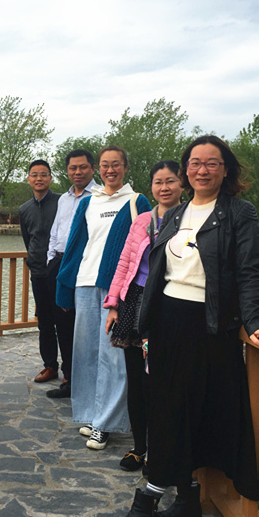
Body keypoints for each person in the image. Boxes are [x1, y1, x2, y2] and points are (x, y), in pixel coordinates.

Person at [107, 135, 259, 517]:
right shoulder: (177, 213)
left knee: (178, 410)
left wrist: (256, 319)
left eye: (211, 162)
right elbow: (157, 269)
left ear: (226, 169)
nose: (201, 170)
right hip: (166, 321)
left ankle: (147, 503)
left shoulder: (239, 212)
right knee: (166, 406)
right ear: (186, 169)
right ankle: (188, 499)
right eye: (194, 162)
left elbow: (249, 270)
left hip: (205, 324)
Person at [56, 146, 151, 450]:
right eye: (105, 165)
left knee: (113, 357)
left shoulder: (136, 201)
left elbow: (144, 248)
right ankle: (91, 414)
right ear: (99, 168)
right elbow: (75, 245)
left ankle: (106, 423)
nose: (111, 170)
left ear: (125, 167)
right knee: (85, 353)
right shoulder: (89, 202)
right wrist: (64, 286)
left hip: (118, 288)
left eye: (116, 164)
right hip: (85, 282)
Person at [103, 160, 182, 472]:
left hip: (168, 302)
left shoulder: (190, 220)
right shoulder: (142, 221)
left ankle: (161, 449)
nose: (164, 187)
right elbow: (125, 263)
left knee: (161, 381)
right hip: (134, 301)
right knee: (136, 379)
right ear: (151, 186)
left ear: (182, 184)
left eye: (170, 181)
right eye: (158, 182)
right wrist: (113, 304)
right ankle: (139, 447)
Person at [45, 149, 97, 398]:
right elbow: (56, 231)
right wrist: (50, 260)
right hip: (59, 263)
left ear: (93, 169)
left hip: (85, 265)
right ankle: (69, 378)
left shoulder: (99, 197)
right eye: (72, 168)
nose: (78, 172)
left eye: (83, 167)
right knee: (63, 324)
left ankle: (88, 380)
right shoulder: (63, 199)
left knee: (85, 325)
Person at [19, 160, 61, 382]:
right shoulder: (24, 209)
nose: (39, 178)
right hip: (38, 272)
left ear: (50, 178)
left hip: (60, 271)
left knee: (64, 320)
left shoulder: (62, 202)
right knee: (44, 321)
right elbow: (29, 240)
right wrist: (35, 261)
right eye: (34, 175)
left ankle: (71, 369)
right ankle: (50, 366)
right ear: (28, 179)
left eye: (43, 174)